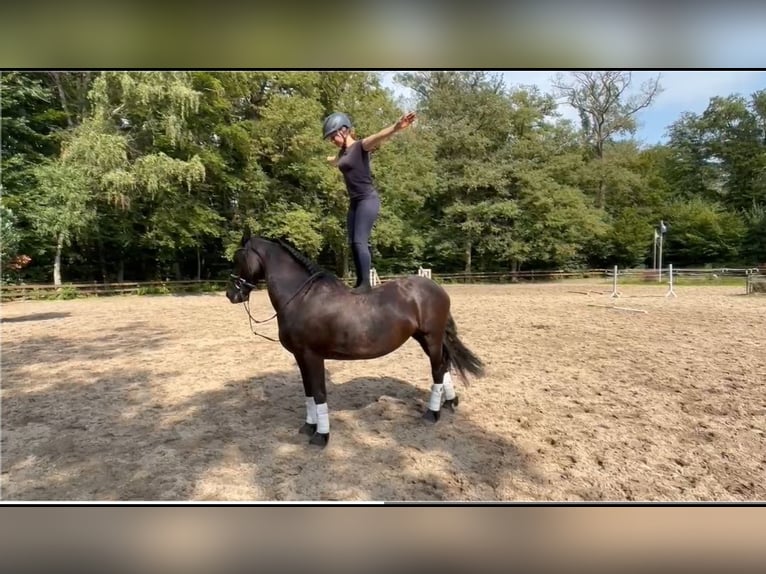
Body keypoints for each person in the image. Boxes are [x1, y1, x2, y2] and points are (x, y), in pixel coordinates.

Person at [323, 110, 417, 292]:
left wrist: (397, 127)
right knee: (352, 242)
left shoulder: (361, 146)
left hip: (367, 200)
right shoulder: (341, 153)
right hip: (355, 202)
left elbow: (380, 135)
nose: (331, 141)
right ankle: (359, 282)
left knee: (360, 240)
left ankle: (366, 284)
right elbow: (336, 161)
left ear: (344, 130)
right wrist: (329, 160)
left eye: (333, 136)